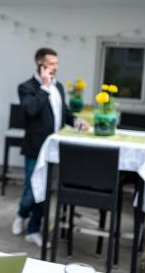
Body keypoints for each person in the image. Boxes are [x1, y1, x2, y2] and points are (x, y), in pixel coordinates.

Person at [11, 47, 89, 248]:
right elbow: (30, 110)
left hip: (54, 151)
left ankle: (33, 230)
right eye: (52, 63)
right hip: (35, 148)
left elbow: (65, 113)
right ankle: (21, 214)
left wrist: (77, 122)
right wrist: (44, 88)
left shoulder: (59, 87)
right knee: (31, 189)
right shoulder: (26, 87)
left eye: (56, 63)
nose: (56, 67)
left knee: (44, 191)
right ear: (40, 64)